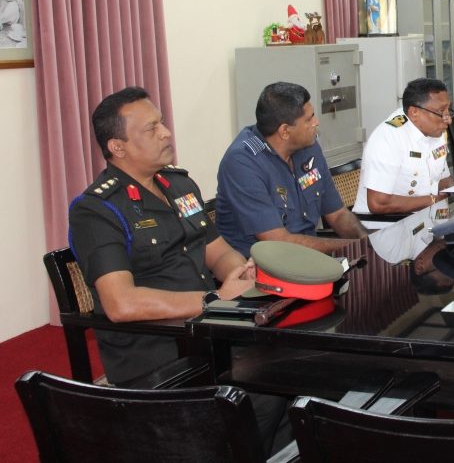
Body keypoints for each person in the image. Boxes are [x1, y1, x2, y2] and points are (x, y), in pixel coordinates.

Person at [68, 88, 290, 455]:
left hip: (211, 334)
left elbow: (217, 251)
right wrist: (214, 298)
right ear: (117, 147)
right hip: (159, 352)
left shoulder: (179, 185)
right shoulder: (97, 211)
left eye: (162, 123)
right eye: (151, 128)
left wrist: (240, 271)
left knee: (298, 368)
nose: (166, 132)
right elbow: (121, 304)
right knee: (266, 392)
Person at [216, 82, 367, 260]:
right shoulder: (242, 163)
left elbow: (338, 215)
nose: (316, 122)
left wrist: (364, 240)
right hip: (266, 266)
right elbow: (279, 242)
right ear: (285, 131)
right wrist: (351, 247)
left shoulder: (308, 148)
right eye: (309, 120)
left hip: (310, 259)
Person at [354, 78, 454, 214]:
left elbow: (442, 179)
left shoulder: (437, 132)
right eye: (441, 112)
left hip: (428, 218)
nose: (448, 119)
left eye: (448, 110)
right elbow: (378, 204)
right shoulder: (389, 138)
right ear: (414, 113)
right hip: (390, 223)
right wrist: (432, 200)